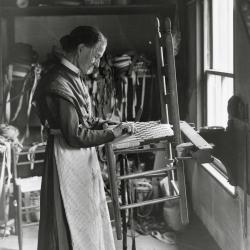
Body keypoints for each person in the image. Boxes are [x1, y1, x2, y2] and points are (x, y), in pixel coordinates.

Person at [33, 26, 135, 250]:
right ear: (81, 49)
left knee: (86, 219)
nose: (98, 63)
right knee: (70, 220)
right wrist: (111, 134)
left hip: (79, 157)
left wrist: (104, 123)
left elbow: (84, 118)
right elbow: (74, 135)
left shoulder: (72, 76)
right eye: (96, 55)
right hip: (66, 158)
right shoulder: (58, 81)